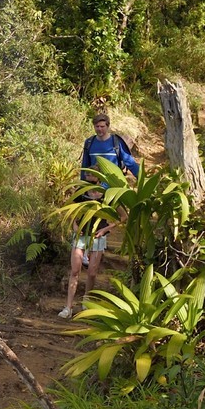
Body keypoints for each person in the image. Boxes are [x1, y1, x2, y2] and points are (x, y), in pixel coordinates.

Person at [58, 113, 138, 319]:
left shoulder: (116, 143)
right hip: (85, 220)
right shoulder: (90, 143)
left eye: (103, 126)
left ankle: (86, 300)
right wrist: (81, 187)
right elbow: (84, 168)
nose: (100, 129)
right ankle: (69, 306)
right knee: (75, 269)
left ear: (108, 126)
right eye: (97, 126)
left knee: (92, 271)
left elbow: (129, 163)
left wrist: (140, 180)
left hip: (109, 198)